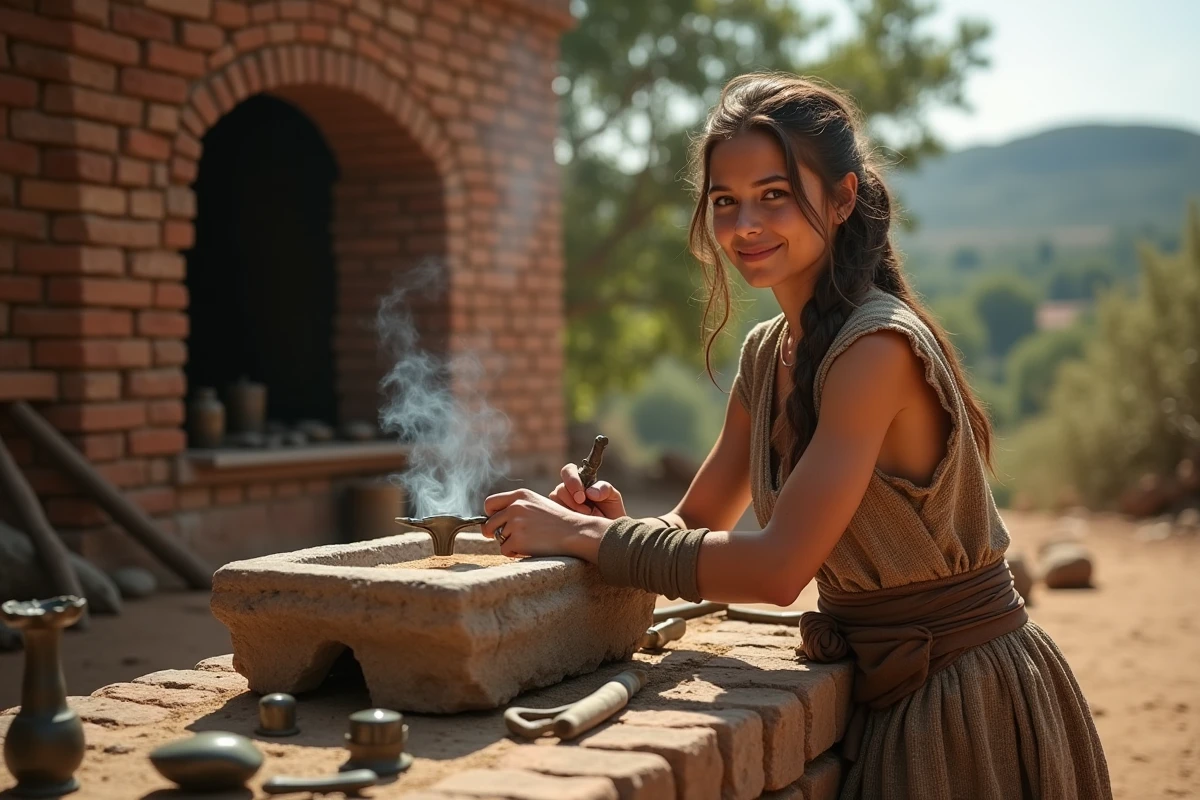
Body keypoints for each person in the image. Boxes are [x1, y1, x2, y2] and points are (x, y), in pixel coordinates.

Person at [482, 72, 1111, 799]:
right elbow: (695, 525)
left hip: (965, 704)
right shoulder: (767, 353)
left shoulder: (876, 350)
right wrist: (613, 525)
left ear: (843, 198)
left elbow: (780, 569)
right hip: (884, 694)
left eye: (774, 196)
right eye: (725, 202)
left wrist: (578, 539)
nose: (745, 224)